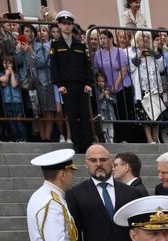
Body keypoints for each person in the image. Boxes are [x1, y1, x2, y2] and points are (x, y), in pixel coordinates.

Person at [66, 144, 144, 241]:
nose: (98, 164)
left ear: (111, 162)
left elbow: (140, 228)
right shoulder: (76, 194)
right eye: (93, 160)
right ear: (86, 164)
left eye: (103, 160)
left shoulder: (132, 193)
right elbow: (75, 235)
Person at [27, 147, 82, 241]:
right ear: (62, 175)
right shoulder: (52, 202)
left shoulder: (41, 194)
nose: (73, 176)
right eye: (71, 172)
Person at [49, 11, 91, 152]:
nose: (67, 26)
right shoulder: (55, 45)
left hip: (81, 84)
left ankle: (88, 143)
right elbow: (54, 67)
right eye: (64, 24)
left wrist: (88, 83)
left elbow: (87, 66)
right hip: (66, 86)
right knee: (72, 116)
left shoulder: (80, 44)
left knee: (84, 115)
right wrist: (59, 85)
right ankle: (78, 144)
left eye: (69, 24)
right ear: (59, 25)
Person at [92, 29, 132, 143]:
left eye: (104, 38)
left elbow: (123, 70)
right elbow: (96, 70)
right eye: (101, 38)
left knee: (123, 113)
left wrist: (115, 86)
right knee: (112, 114)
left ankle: (126, 139)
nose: (102, 40)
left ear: (111, 39)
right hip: (106, 89)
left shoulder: (120, 51)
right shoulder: (98, 54)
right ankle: (114, 139)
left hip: (122, 87)